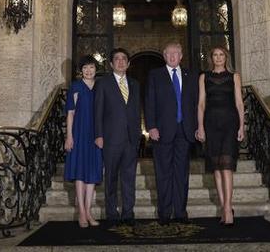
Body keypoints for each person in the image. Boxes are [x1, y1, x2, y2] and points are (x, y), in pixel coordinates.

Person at [145, 42, 199, 225]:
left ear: (181, 56)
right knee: (163, 173)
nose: (173, 56)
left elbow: (196, 104)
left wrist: (198, 127)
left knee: (181, 174)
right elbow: (150, 102)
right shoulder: (155, 75)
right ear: (164, 56)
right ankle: (164, 213)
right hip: (162, 132)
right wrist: (151, 126)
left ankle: (180, 212)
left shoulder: (191, 75)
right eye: (169, 53)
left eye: (176, 53)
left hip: (185, 131)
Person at [195, 46, 245, 226]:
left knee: (227, 166)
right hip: (211, 123)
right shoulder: (204, 77)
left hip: (230, 123)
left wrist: (242, 126)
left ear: (226, 57)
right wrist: (200, 127)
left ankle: (227, 208)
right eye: (215, 55)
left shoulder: (234, 76)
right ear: (211, 58)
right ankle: (224, 207)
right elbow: (201, 104)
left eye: (221, 55)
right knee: (216, 166)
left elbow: (239, 103)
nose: (218, 57)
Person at [94, 48, 141, 226]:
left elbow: (136, 111)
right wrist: (98, 135)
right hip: (110, 138)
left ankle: (128, 213)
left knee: (129, 178)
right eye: (117, 59)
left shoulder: (135, 84)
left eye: (124, 59)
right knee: (111, 178)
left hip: (131, 140)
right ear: (111, 64)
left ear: (128, 64)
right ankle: (112, 213)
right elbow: (97, 111)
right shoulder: (103, 83)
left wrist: (137, 135)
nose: (121, 62)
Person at [64, 55, 103, 228]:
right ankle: (81, 212)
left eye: (92, 67)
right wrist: (69, 136)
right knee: (80, 173)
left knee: (92, 173)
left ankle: (88, 211)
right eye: (85, 68)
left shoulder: (100, 87)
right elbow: (70, 113)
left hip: (96, 134)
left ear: (96, 69)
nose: (88, 71)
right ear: (81, 71)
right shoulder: (76, 86)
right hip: (79, 133)